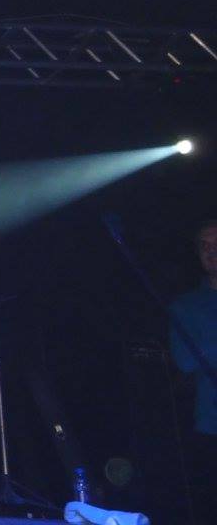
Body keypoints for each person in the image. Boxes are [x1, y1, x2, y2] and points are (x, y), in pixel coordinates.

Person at [169, 220, 217, 524]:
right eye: (205, 246)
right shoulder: (186, 306)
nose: (212, 252)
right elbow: (185, 361)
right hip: (211, 427)